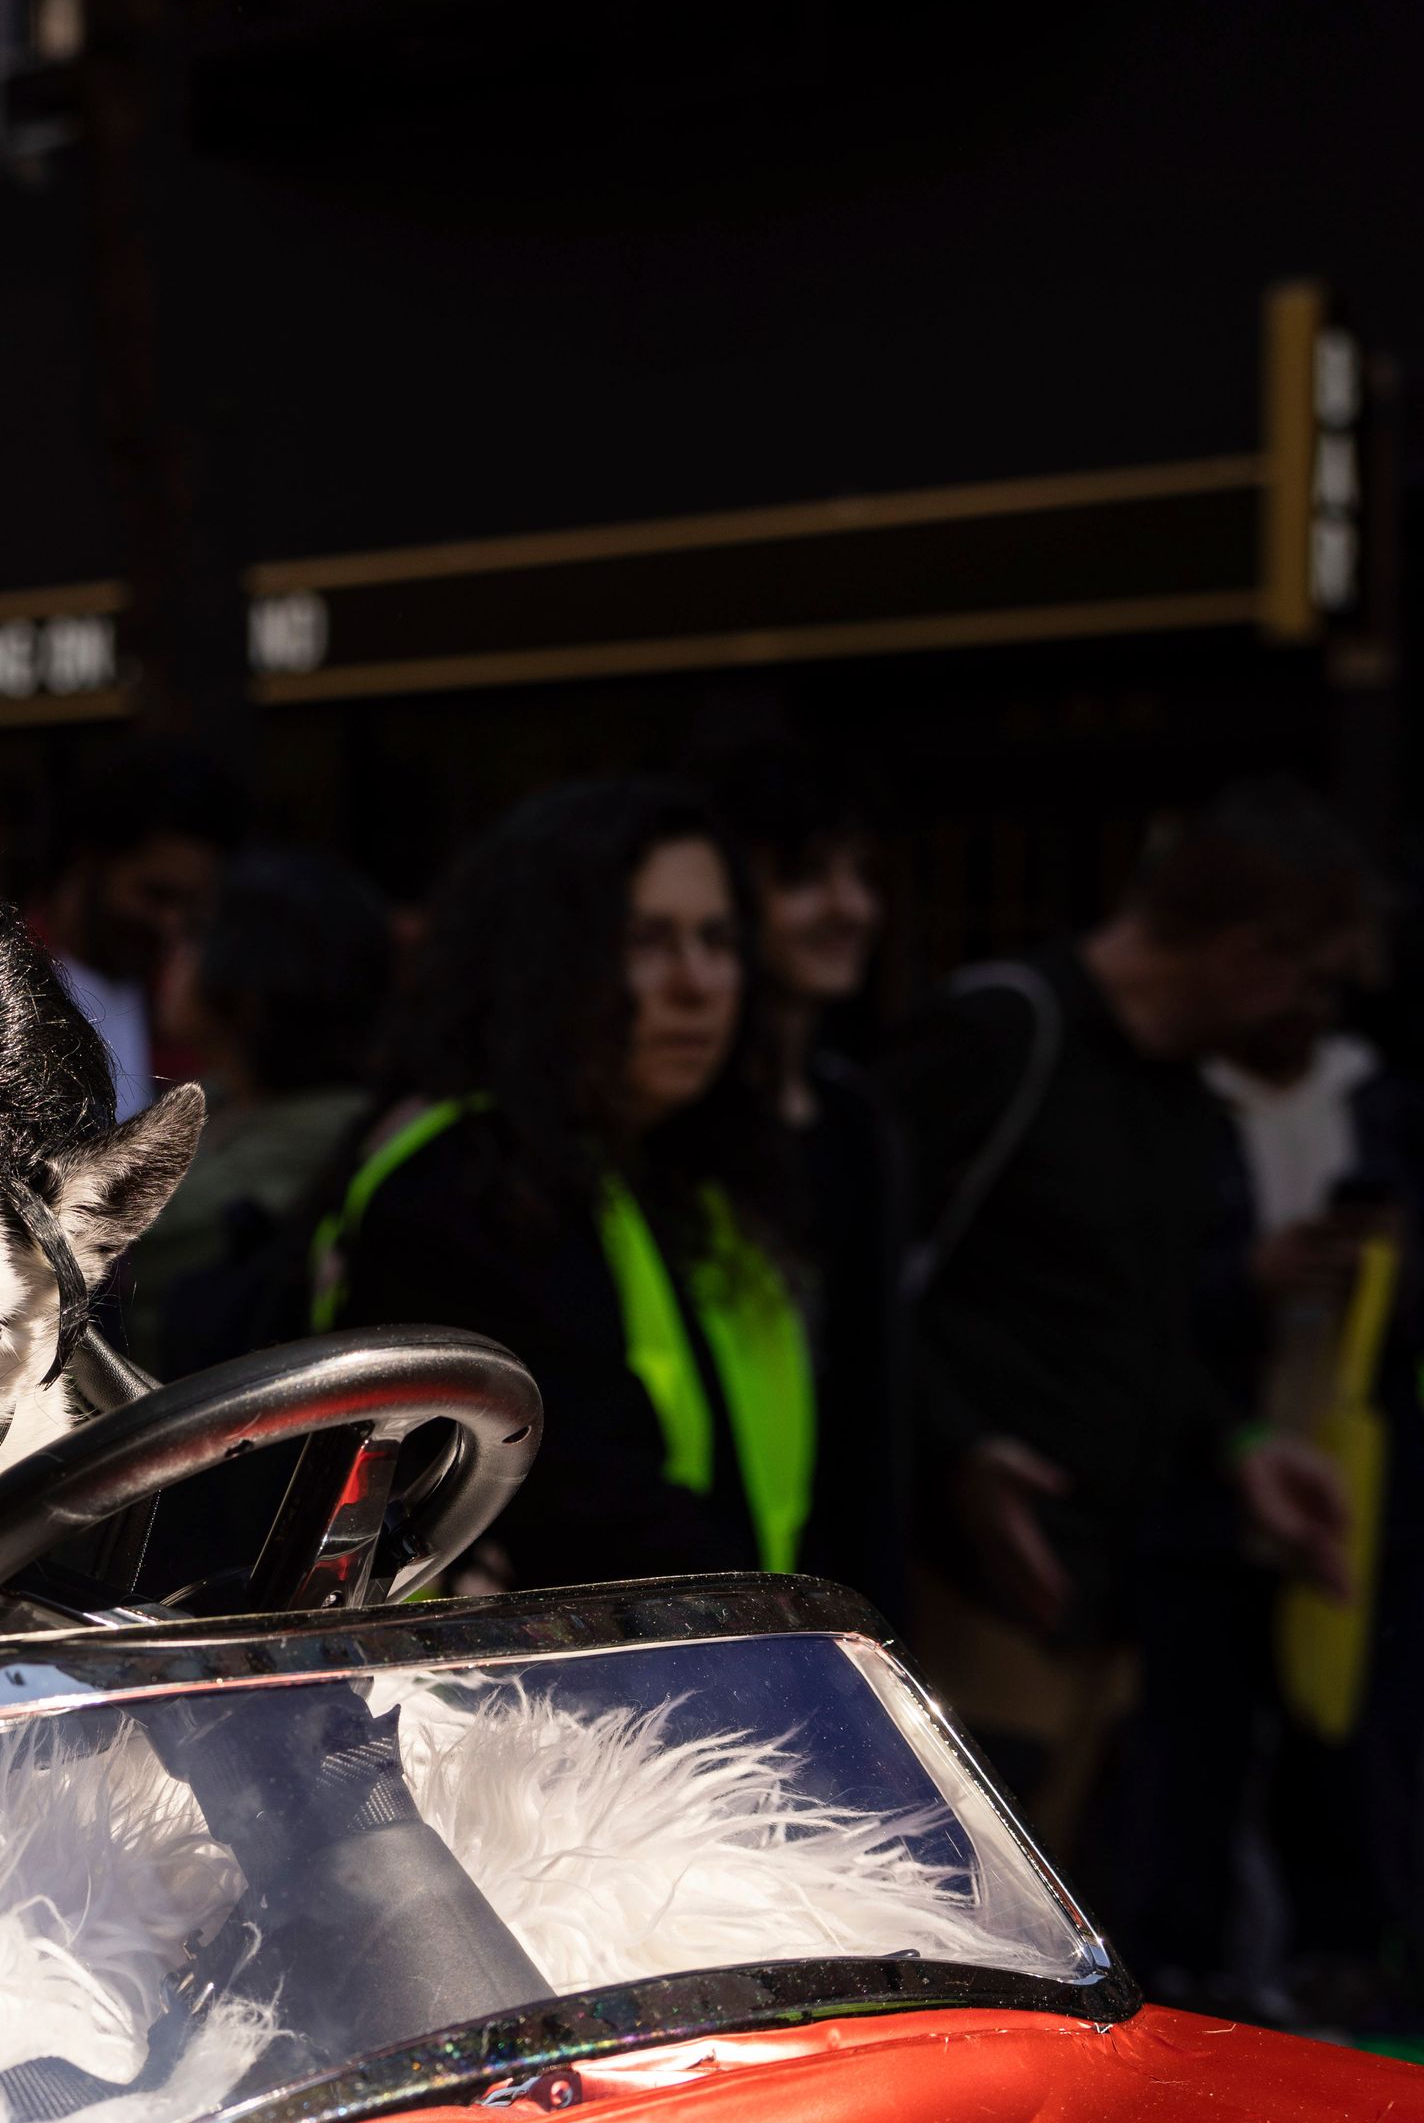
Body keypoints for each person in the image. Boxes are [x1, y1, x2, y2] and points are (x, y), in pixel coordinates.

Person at [882, 777, 1364, 1857]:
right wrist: (960, 1450)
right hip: (961, 1592)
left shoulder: (1184, 1097)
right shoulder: (1006, 1031)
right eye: (1315, 982)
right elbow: (845, 1285)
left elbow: (1150, 1327)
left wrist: (1242, 1447)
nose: (1319, 1019)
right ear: (1249, 954)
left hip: (1106, 1600)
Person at [314, 780, 809, 1590]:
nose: (698, 981)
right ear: (547, 957)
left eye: (719, 939)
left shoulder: (692, 1174)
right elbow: (591, 1520)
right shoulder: (456, 1183)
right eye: (647, 939)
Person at [706, 744, 909, 1625]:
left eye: (863, 875)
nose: (852, 908)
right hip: (731, 1600)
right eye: (805, 878)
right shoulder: (685, 1132)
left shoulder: (857, 1115)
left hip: (846, 1585)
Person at [121, 844, 390, 1369]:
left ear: (258, 976)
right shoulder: (219, 1095)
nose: (171, 950)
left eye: (197, 935)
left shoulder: (334, 1131)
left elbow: (129, 1244)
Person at [31, 743, 239, 1116]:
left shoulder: (184, 1010)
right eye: (156, 895)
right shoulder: (2, 977)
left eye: (190, 903)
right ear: (89, 864)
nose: (171, 922)